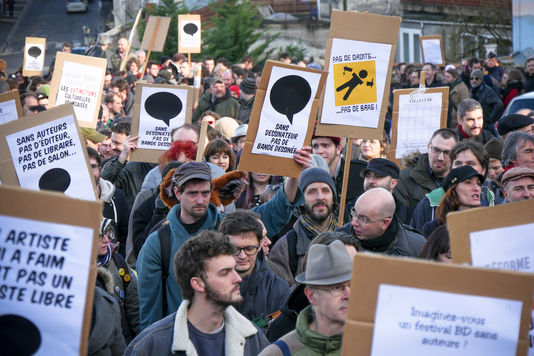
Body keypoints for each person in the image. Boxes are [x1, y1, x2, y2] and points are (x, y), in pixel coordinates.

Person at [137, 155, 309, 329]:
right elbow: (150, 314)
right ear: (177, 193)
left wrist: (293, 174)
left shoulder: (228, 226)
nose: (199, 200)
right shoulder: (158, 243)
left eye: (205, 193)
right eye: (192, 193)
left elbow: (275, 211)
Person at [125, 231, 269, 355]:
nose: (238, 279)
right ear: (198, 283)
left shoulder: (253, 339)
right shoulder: (150, 346)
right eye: (225, 273)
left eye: (234, 270)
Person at [259, 240, 352, 355]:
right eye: (337, 288)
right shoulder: (280, 352)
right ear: (311, 295)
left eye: (352, 285)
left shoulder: (371, 344)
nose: (348, 295)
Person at [268, 168, 338, 286]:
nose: (320, 197)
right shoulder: (285, 247)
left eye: (326, 190)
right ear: (300, 200)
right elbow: (282, 296)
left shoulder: (349, 237)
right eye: (311, 192)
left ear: (333, 197)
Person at [219, 210, 290, 326]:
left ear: (259, 245)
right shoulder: (208, 286)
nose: (242, 256)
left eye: (249, 249)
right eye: (235, 249)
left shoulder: (278, 289)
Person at [338, 188, 426, 257]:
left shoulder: (417, 248)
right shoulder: (336, 241)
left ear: (385, 223)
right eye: (354, 213)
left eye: (363, 219)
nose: (354, 223)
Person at [96, 218, 139, 343]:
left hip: (122, 341)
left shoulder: (118, 261)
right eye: (99, 236)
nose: (107, 240)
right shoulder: (77, 269)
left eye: (107, 233)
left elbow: (134, 307)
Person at [395, 128, 459, 211]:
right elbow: (402, 219)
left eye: (447, 152)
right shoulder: (405, 178)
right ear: (428, 147)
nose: (440, 158)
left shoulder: (462, 180)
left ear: (456, 153)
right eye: (436, 150)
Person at [100, 119, 157, 208]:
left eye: (117, 143)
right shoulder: (112, 164)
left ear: (132, 141)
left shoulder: (146, 165)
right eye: (112, 142)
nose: (112, 147)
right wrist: (121, 159)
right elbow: (103, 186)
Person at [87, 147, 130, 254]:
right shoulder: (70, 200)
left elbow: (126, 236)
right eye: (84, 166)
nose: (89, 172)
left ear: (100, 169)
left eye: (93, 167)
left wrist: (118, 264)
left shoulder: (117, 197)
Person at [421, 166, 485, 236]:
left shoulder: (486, 223)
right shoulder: (433, 228)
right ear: (453, 190)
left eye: (478, 184)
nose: (477, 188)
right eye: (468, 182)